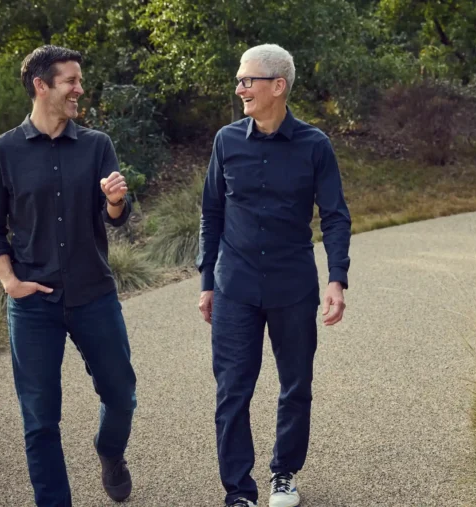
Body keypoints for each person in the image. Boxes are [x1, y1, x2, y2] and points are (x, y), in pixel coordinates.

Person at [0, 45, 137, 506]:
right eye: (70, 81)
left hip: (93, 294)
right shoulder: (1, 153)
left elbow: (117, 216)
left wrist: (114, 199)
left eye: (79, 80)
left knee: (121, 395)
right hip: (32, 304)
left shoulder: (96, 144)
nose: (79, 89)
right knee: (40, 419)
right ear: (40, 86)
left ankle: (110, 452)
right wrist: (10, 282)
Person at [196, 43, 352, 507]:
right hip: (234, 287)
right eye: (240, 80)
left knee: (296, 384)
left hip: (292, 285)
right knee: (232, 391)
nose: (240, 87)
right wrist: (207, 281)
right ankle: (238, 491)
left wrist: (336, 278)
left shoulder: (314, 145)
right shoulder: (225, 141)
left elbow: (336, 216)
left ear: (278, 86)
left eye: (249, 80)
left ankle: (284, 473)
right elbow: (211, 213)